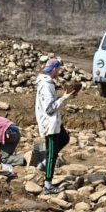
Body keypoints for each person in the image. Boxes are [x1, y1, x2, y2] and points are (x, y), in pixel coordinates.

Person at [35, 58, 75, 194]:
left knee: (64, 138)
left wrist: (63, 96)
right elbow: (49, 108)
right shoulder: (46, 85)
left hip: (54, 122)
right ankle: (48, 185)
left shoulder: (48, 83)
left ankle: (45, 164)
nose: (59, 71)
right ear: (54, 69)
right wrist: (64, 98)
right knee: (51, 154)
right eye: (58, 69)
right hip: (49, 123)